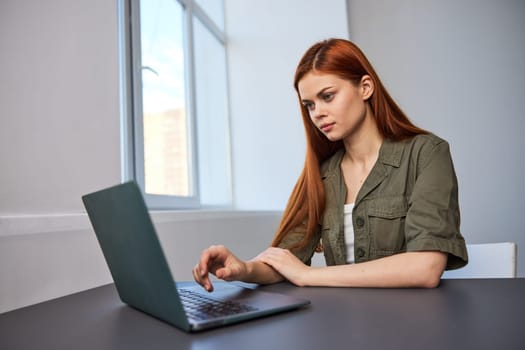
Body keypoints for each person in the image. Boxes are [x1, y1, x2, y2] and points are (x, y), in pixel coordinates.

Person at [193, 38, 468, 290]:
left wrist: (307, 275)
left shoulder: (427, 153)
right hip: (341, 323)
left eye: (327, 96)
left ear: (365, 87)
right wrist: (244, 268)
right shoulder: (322, 173)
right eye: (309, 105)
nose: (318, 113)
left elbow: (426, 268)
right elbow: (287, 259)